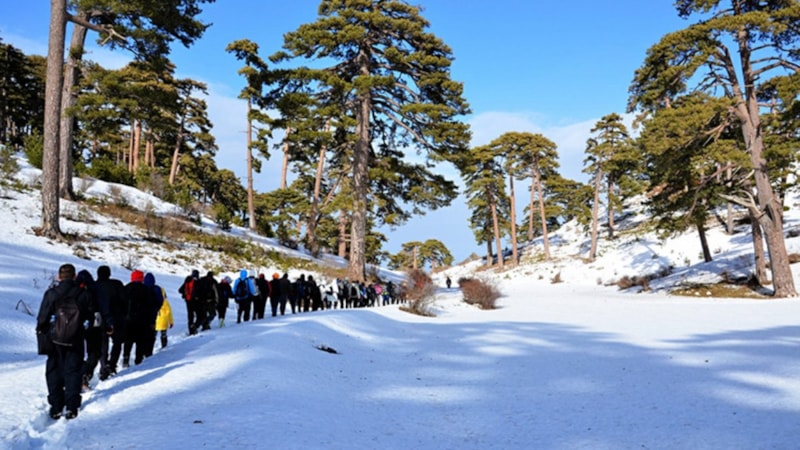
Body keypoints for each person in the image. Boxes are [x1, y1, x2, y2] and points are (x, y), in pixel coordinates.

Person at [36, 263, 91, 420]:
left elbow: (42, 318)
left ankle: (56, 406)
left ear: (59, 277)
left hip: (54, 339)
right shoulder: (83, 294)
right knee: (73, 371)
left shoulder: (51, 293)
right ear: (74, 276)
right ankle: (72, 407)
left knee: (54, 371)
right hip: (76, 339)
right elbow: (90, 317)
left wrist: (43, 331)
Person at [77, 269, 113, 392]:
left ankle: (74, 378)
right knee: (95, 352)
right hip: (94, 325)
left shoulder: (75, 289)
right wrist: (108, 323)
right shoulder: (96, 289)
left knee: (76, 353)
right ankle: (85, 375)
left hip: (75, 326)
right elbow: (104, 307)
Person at [96, 265, 127, 380]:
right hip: (117, 319)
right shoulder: (117, 284)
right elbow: (125, 301)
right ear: (109, 274)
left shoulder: (95, 286)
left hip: (100, 320)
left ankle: (104, 366)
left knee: (103, 344)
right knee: (117, 343)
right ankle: (112, 365)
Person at [123, 270, 157, 367]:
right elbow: (151, 307)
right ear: (142, 278)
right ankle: (138, 360)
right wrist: (152, 321)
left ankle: (126, 358)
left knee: (128, 341)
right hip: (143, 321)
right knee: (140, 341)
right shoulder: (146, 290)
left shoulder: (126, 288)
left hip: (128, 320)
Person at [143, 272, 165, 355]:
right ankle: (149, 353)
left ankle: (140, 353)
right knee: (151, 335)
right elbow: (160, 301)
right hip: (152, 314)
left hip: (141, 315)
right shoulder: (157, 289)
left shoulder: (142, 288)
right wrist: (156, 308)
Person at [178, 269, 200, 335]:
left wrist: (185, 294)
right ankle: (194, 327)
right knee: (199, 315)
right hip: (195, 301)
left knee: (190, 316)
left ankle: (191, 331)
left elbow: (180, 290)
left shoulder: (187, 280)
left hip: (188, 301)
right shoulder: (197, 281)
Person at [154, 282, 174, 348]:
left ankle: (150, 347)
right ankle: (164, 345)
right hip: (163, 321)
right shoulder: (165, 302)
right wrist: (171, 322)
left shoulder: (154, 300)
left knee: (153, 335)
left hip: (155, 321)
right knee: (163, 334)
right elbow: (169, 312)